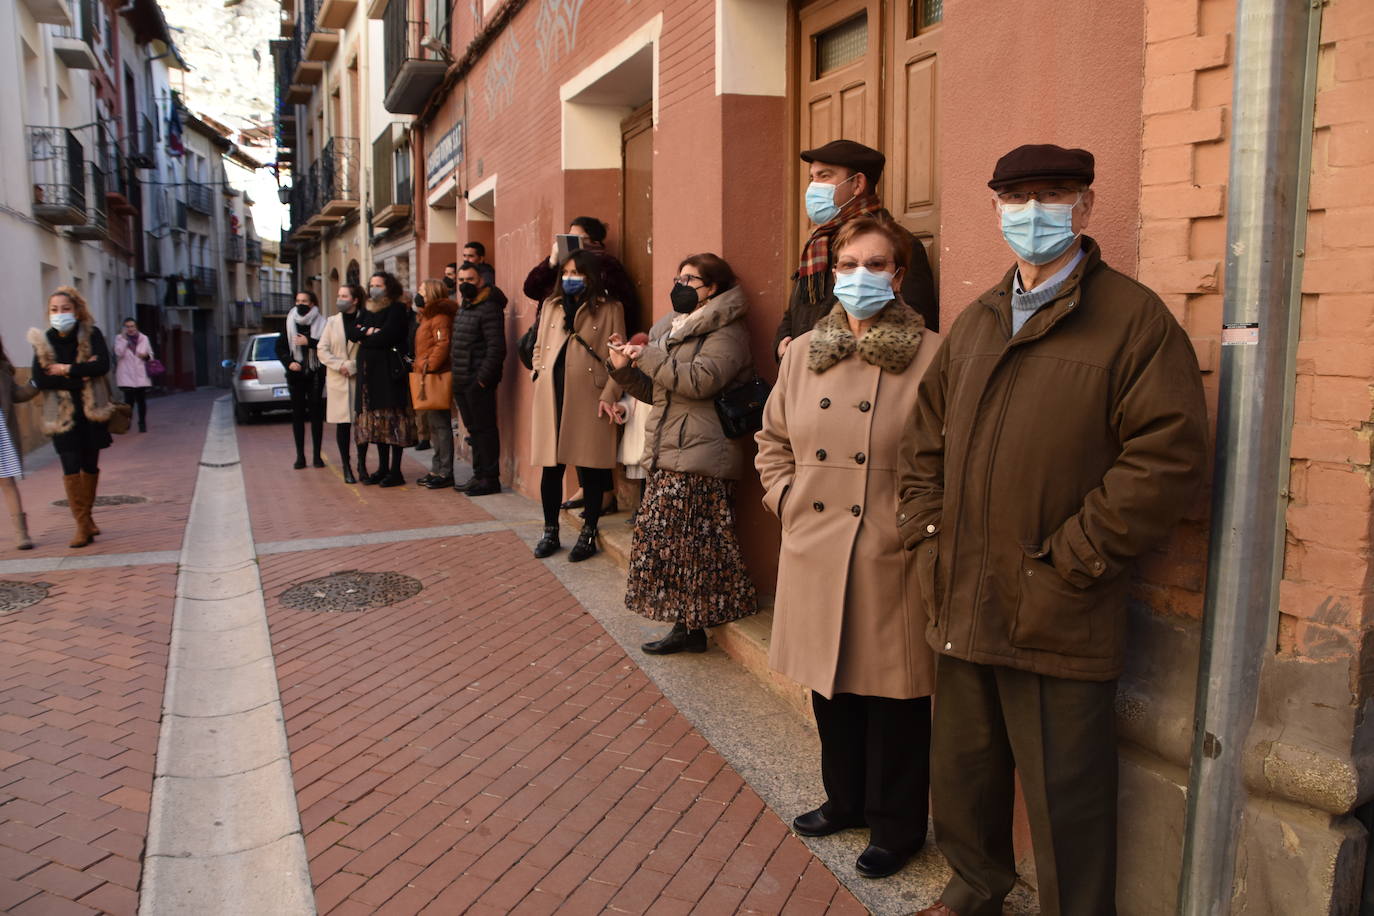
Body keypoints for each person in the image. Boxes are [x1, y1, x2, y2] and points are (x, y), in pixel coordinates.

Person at [900, 145, 1209, 916]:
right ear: (996, 209)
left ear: (1086, 206)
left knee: (1068, 798)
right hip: (962, 595)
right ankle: (974, 887)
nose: (1032, 212)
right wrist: (926, 537)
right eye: (1016, 197)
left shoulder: (1135, 321)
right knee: (964, 775)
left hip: (1059, 605)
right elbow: (922, 447)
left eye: (1052, 195)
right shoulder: (974, 322)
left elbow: (1165, 458)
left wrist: (1075, 556)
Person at [756, 217, 942, 880]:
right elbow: (772, 442)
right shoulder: (804, 351)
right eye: (848, 264)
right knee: (831, 687)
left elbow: (949, 458)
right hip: (816, 545)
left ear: (897, 275)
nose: (860, 276)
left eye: (875, 264)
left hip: (890, 550)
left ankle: (897, 827)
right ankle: (846, 801)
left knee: (895, 698)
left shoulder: (933, 354)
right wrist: (788, 504)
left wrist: (917, 530)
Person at [608, 253, 758, 655]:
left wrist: (651, 356)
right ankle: (689, 625)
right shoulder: (673, 329)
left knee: (692, 546)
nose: (681, 285)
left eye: (690, 279)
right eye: (679, 277)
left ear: (714, 288)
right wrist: (623, 368)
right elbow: (657, 392)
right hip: (670, 448)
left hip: (703, 451)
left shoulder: (728, 331)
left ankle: (693, 625)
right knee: (674, 543)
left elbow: (699, 381)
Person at [774, 139, 938, 361]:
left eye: (824, 176)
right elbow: (797, 308)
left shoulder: (899, 245)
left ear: (857, 183)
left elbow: (913, 324)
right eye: (812, 178)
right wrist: (783, 345)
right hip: (804, 374)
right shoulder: (819, 243)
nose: (813, 187)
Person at [527, 250, 625, 561]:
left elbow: (618, 356)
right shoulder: (552, 306)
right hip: (551, 394)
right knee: (551, 468)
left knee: (591, 469)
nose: (570, 279)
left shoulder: (611, 308)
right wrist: (538, 372)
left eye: (577, 274)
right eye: (566, 273)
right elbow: (539, 346)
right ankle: (550, 531)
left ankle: (588, 533)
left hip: (588, 395)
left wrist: (609, 393)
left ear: (591, 276)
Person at [27, 287, 115, 548]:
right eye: (54, 310)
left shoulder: (91, 334)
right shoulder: (43, 341)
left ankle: (87, 518)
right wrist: (80, 376)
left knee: (89, 465)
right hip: (62, 415)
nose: (60, 314)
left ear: (76, 310)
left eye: (65, 309)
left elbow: (102, 366)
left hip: (91, 412)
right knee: (70, 464)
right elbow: (42, 379)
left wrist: (64, 370)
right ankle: (80, 526)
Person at [349, 271, 417, 487]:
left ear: (388, 287)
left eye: (378, 284)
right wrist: (370, 332)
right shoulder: (366, 308)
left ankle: (396, 471)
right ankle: (383, 468)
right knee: (377, 424)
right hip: (369, 375)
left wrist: (366, 337)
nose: (374, 288)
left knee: (393, 422)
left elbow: (390, 335)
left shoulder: (396, 308)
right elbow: (353, 331)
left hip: (388, 374)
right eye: (371, 284)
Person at [449, 261, 507, 496]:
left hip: (477, 383)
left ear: (482, 280)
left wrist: (481, 380)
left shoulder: (489, 307)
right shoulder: (466, 305)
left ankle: (490, 479)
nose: (464, 285)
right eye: (461, 280)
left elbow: (496, 348)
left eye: (469, 280)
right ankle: (479, 475)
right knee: (474, 431)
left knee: (485, 431)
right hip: (461, 381)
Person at [522, 216, 640, 323]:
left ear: (593, 241)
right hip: (554, 331)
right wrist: (551, 263)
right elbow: (530, 289)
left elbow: (625, 305)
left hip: (589, 329)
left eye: (577, 238)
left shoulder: (608, 265)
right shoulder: (561, 261)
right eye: (569, 237)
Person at [318, 284, 366, 484]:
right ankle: (346, 467)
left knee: (362, 426)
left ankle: (361, 466)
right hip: (338, 379)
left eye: (344, 296)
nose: (339, 299)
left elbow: (370, 350)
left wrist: (353, 366)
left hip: (359, 379)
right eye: (338, 295)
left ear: (355, 300)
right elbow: (322, 349)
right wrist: (340, 365)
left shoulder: (365, 319)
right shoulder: (331, 322)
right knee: (343, 426)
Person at [412, 279, 457, 489]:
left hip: (435, 375)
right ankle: (436, 468)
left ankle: (445, 471)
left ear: (430, 293)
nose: (418, 293)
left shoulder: (439, 317)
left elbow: (442, 344)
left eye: (421, 290)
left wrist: (428, 365)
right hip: (426, 374)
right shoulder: (427, 317)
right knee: (433, 425)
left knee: (441, 425)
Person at [275, 290, 327, 469]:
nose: (300, 304)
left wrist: (309, 342)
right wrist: (289, 363)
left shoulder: (322, 323)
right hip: (296, 375)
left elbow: (326, 346)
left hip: (315, 373)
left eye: (304, 301)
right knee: (297, 415)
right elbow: (280, 347)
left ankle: (317, 456)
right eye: (297, 300)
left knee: (316, 415)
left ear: (313, 303)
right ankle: (300, 456)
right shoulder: (289, 321)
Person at [0, 336, 39, 549]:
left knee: (7, 482)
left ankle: (21, 533)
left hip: (1, 431)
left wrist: (35, 383)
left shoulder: (2, 369)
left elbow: (18, 394)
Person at [113, 317, 153, 433]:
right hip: (126, 375)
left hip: (140, 375)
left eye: (132, 326)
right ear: (124, 328)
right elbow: (118, 353)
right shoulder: (119, 338)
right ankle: (127, 423)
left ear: (136, 327)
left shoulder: (144, 338)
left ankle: (142, 423)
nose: (130, 329)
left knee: (141, 401)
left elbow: (151, 354)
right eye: (127, 326)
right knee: (128, 402)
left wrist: (146, 356)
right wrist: (125, 340)